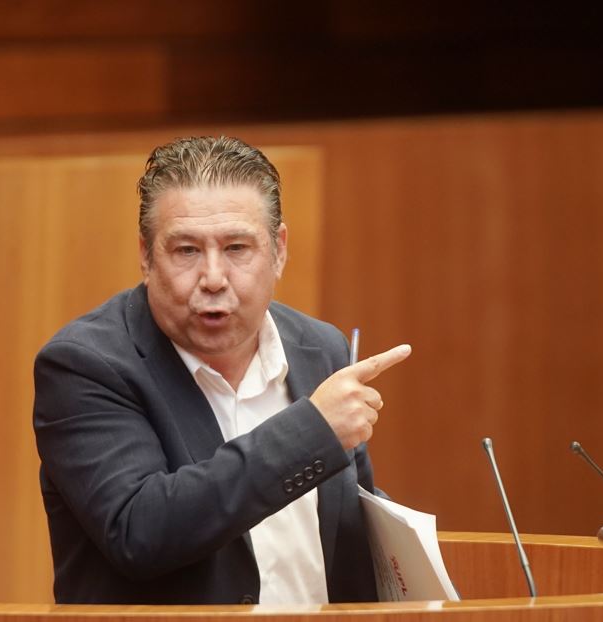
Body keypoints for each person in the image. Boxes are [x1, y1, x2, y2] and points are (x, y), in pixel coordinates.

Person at [33, 136, 411, 605]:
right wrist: (311, 433)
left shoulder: (320, 349)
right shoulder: (86, 365)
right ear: (146, 256)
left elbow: (348, 531)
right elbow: (140, 531)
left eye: (236, 248)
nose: (213, 278)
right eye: (186, 250)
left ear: (278, 251)